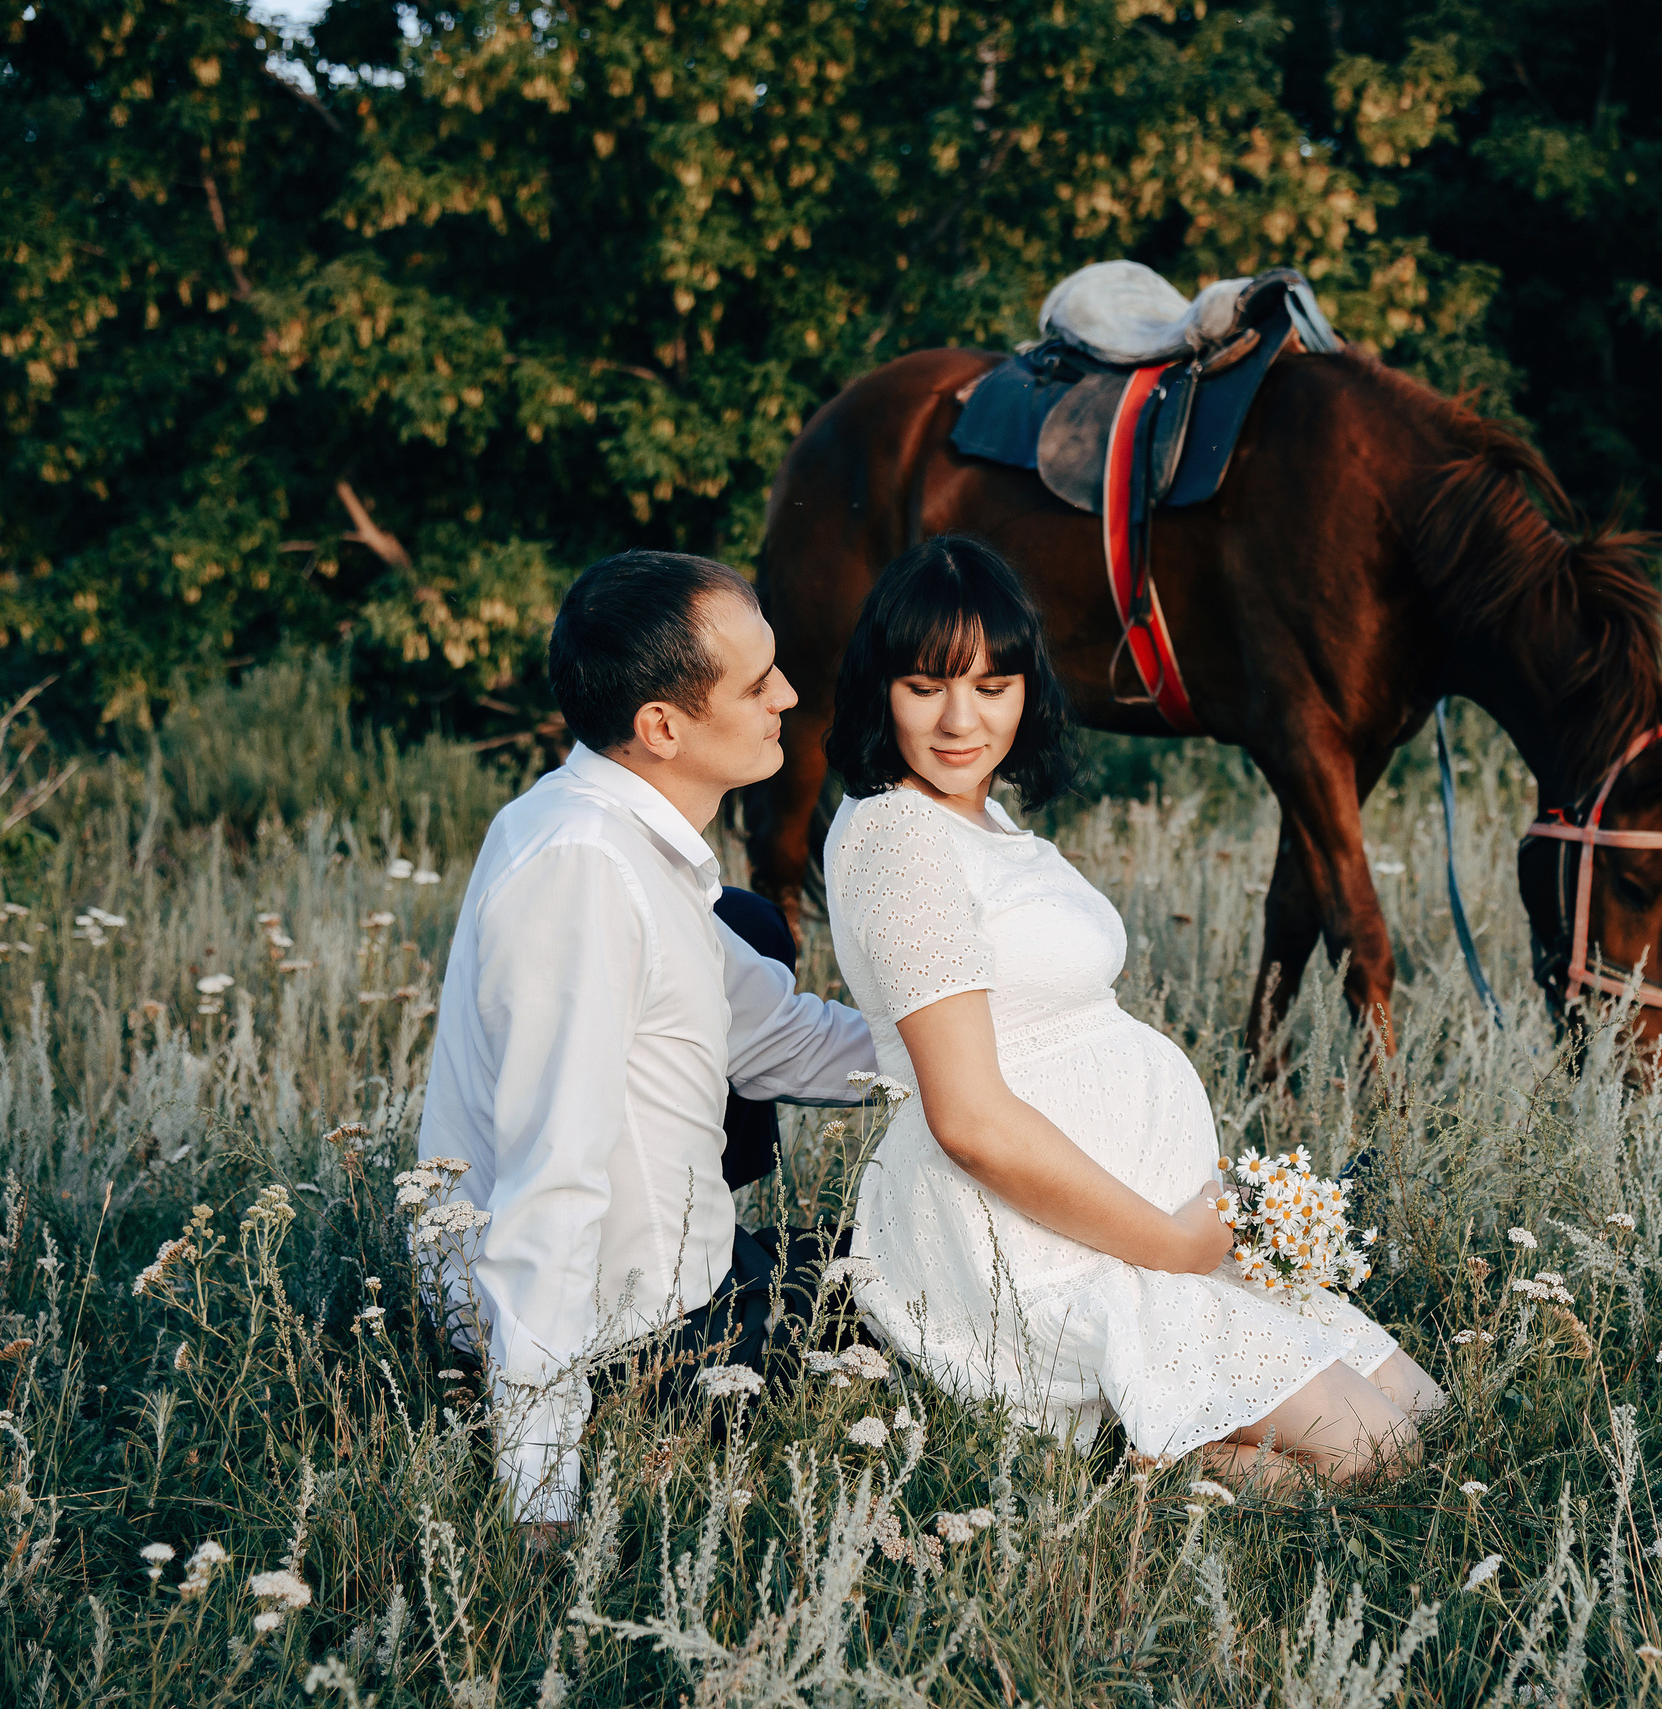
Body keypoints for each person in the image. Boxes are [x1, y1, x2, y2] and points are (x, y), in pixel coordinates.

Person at [822, 536, 1443, 1486]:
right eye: (925, 685)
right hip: (1027, 1243)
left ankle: (1144, 1440)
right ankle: (1116, 1472)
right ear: (880, 689)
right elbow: (971, 1119)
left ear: (1028, 688)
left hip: (1134, 1222)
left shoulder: (981, 819)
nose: (960, 720)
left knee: (1419, 1409)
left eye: (992, 687)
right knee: (1377, 1452)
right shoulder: (901, 837)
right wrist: (1178, 1243)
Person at [417, 550, 880, 1534]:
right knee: (964, 1324)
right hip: (622, 1343)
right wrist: (542, 1495)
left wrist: (979, 1063)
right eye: (757, 684)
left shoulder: (617, 834)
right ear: (661, 725)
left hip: (678, 1275)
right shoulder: (578, 874)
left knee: (927, 1260)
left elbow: (780, 1035)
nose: (790, 695)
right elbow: (549, 1184)